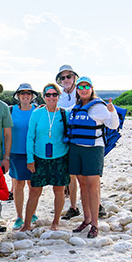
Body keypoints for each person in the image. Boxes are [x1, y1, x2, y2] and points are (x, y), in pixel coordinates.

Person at [65, 76, 119, 238]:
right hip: (76, 149)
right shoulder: (76, 107)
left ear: (91, 88)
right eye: (80, 87)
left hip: (93, 149)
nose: (83, 89)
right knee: (82, 185)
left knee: (93, 186)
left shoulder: (99, 106)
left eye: (86, 86)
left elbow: (113, 125)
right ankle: (87, 219)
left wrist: (112, 111)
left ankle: (95, 223)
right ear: (77, 90)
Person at [22, 84, 70, 231]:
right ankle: (26, 224)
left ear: (58, 96)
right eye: (48, 95)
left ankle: (55, 222)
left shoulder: (64, 114)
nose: (51, 97)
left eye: (54, 94)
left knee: (59, 190)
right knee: (35, 191)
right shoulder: (37, 113)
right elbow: (30, 136)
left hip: (60, 157)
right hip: (39, 157)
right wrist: (30, 159)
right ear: (43, 96)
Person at [9, 83, 38, 230]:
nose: (25, 96)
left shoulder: (38, 110)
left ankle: (32, 213)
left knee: (33, 185)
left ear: (32, 96)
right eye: (22, 93)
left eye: (28, 93)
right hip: (16, 153)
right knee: (18, 185)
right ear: (18, 96)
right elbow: (5, 132)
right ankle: (19, 216)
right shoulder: (11, 110)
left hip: (33, 153)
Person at [55, 65, 82, 220]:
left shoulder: (82, 91)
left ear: (74, 78)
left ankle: (95, 204)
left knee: (86, 176)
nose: (65, 80)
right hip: (65, 138)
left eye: (68, 77)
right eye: (62, 77)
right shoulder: (60, 96)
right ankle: (73, 207)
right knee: (71, 175)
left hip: (79, 137)